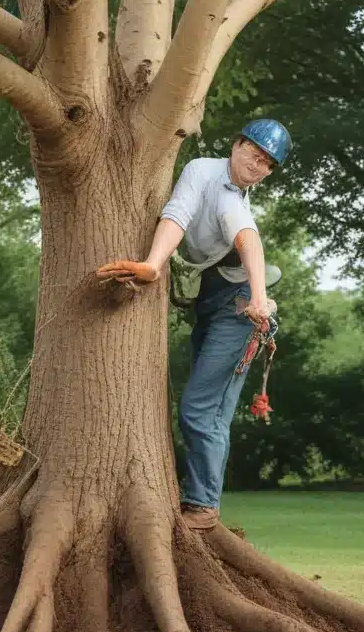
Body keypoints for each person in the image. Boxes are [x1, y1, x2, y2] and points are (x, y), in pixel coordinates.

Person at [97, 119, 290, 531]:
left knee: (199, 409)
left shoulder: (232, 201)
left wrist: (257, 299)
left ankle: (202, 506)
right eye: (254, 154)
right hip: (214, 299)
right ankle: (204, 503)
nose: (258, 166)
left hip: (239, 308)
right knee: (213, 410)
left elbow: (249, 241)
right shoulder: (202, 170)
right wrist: (152, 264)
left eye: (267, 164)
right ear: (236, 144)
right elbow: (177, 214)